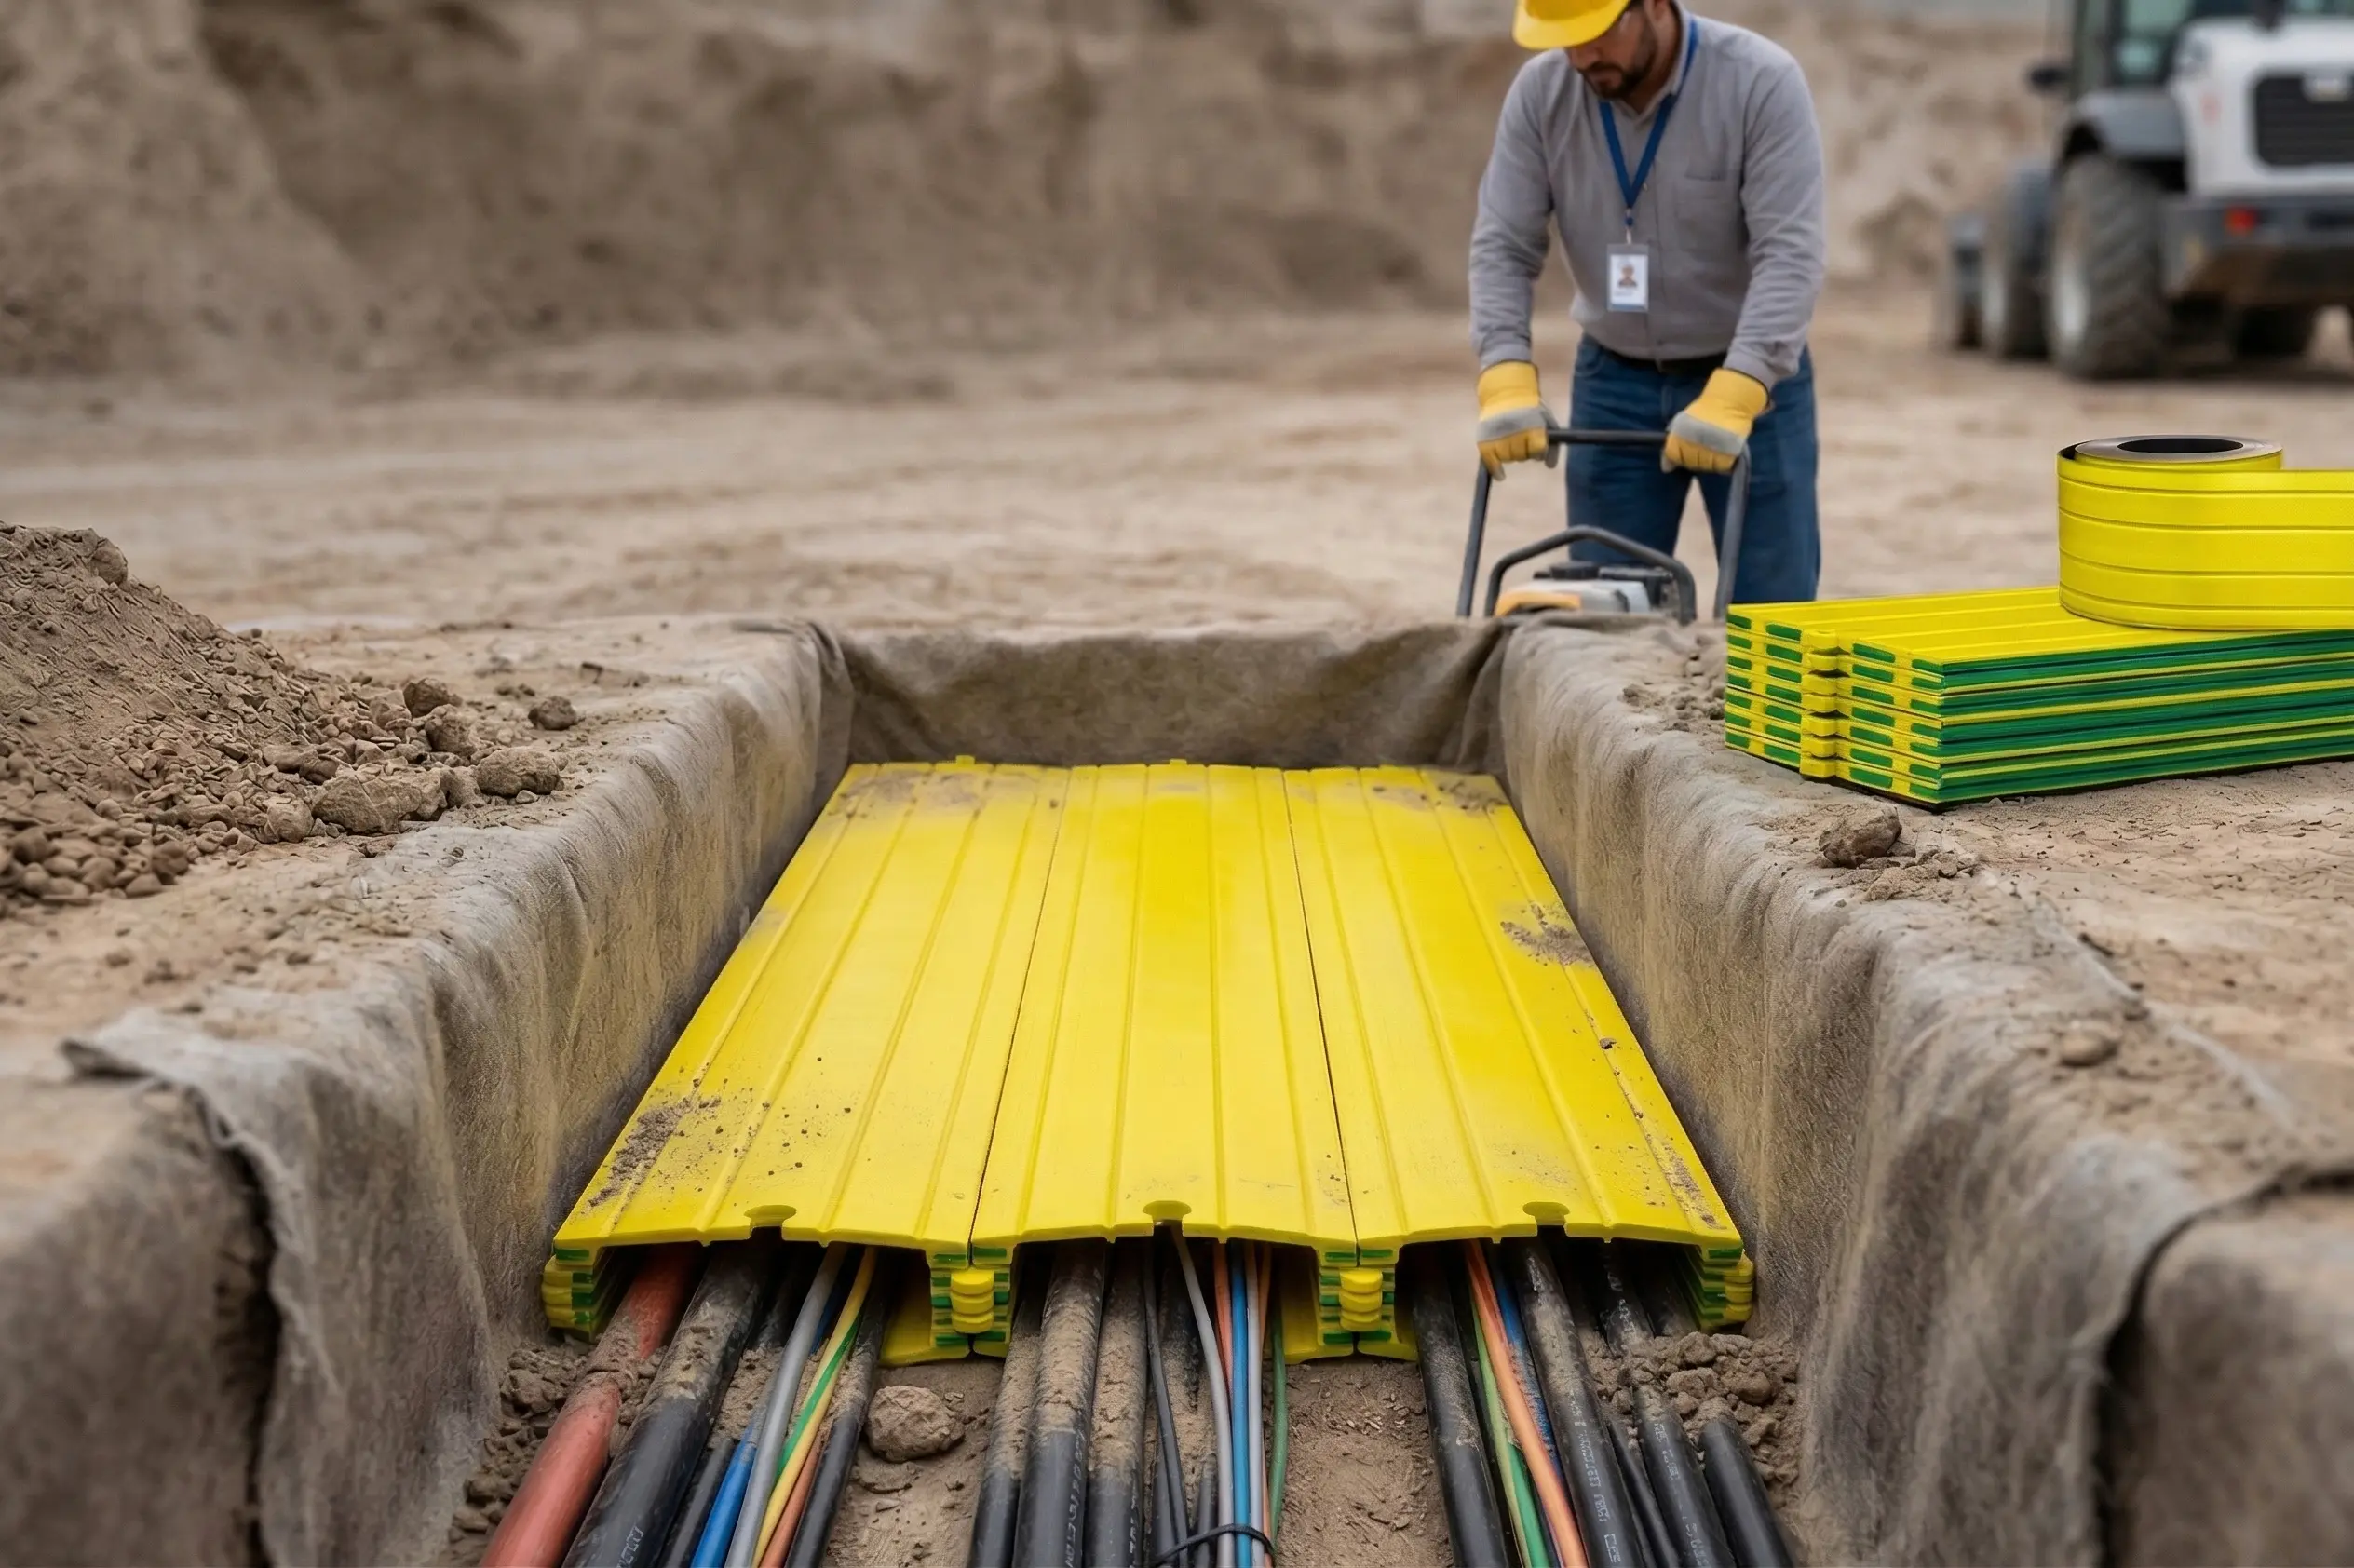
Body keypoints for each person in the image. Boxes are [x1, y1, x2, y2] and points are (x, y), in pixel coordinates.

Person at [1469, 0, 1827, 604]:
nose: (1581, 55)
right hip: (1614, 384)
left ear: (1656, 5)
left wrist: (1742, 385)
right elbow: (1503, 244)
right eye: (1565, 39)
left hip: (1750, 385)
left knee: (1774, 612)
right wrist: (1504, 370)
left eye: (1597, 33)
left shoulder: (1760, 82)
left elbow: (1789, 254)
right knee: (1607, 615)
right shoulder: (1542, 96)